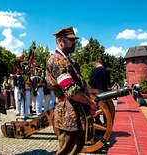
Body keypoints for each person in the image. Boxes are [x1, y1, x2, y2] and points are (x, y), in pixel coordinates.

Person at [45, 27, 97, 155]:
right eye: (71, 40)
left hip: (75, 112)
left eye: (75, 40)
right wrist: (91, 103)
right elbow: (71, 90)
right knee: (67, 151)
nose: (75, 43)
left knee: (75, 149)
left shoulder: (69, 60)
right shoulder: (57, 60)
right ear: (60, 41)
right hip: (67, 113)